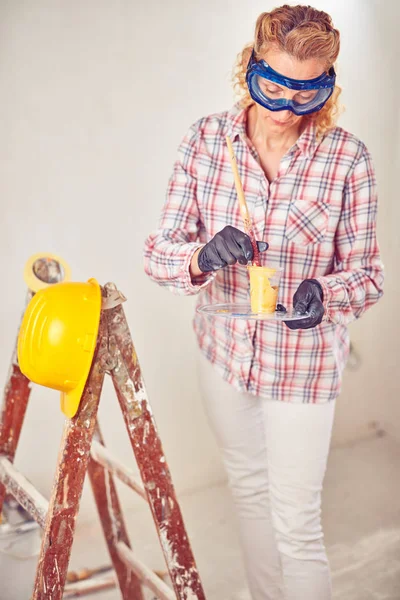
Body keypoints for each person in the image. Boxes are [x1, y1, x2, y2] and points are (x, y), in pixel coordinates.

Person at [143, 5, 384, 600]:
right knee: (248, 489)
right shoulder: (204, 141)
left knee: (296, 525)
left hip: (302, 364)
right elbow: (159, 253)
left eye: (306, 95)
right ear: (248, 68)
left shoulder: (347, 159)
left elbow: (368, 276)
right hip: (223, 350)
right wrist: (201, 257)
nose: (284, 109)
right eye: (272, 86)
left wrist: (323, 293)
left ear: (327, 87)